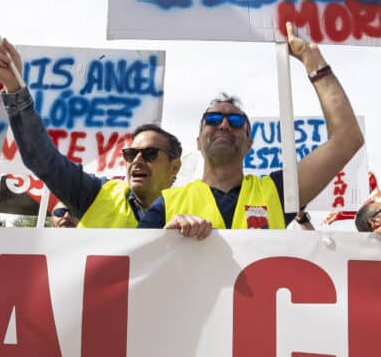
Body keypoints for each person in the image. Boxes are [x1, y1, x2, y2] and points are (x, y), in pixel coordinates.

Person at [138, 28, 364, 238]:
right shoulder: (167, 204)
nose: (224, 125)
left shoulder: (279, 191)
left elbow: (347, 138)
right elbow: (131, 264)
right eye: (213, 120)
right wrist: (164, 238)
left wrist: (311, 59)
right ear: (197, 142)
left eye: (236, 121)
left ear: (249, 143)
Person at [0, 40, 181, 228]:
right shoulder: (95, 195)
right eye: (131, 154)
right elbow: (42, 159)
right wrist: (14, 87)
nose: (137, 160)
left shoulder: (192, 208)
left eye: (150, 154)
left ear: (174, 167)